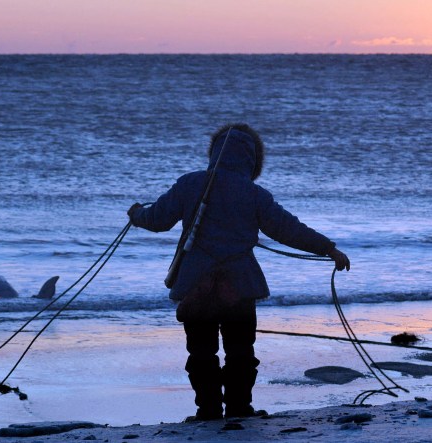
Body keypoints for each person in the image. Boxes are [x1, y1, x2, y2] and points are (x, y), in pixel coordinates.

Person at [127, 123, 350, 421]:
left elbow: (156, 219)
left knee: (201, 353)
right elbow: (288, 229)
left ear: (215, 153)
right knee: (241, 351)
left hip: (196, 285)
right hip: (240, 287)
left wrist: (136, 214)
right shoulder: (255, 194)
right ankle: (239, 409)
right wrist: (327, 248)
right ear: (252, 160)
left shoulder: (189, 184)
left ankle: (207, 411)